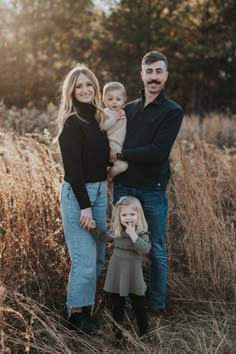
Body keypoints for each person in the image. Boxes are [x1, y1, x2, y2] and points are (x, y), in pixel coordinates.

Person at [112, 51, 184, 315]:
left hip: (152, 189)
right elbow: (116, 140)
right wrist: (115, 162)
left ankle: (156, 305)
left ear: (165, 76)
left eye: (158, 72)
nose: (153, 77)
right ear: (141, 75)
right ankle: (129, 302)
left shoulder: (172, 111)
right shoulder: (127, 109)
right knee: (125, 246)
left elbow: (157, 152)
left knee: (155, 250)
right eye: (149, 71)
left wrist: (123, 157)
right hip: (123, 188)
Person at [57, 65, 110, 334]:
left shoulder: (100, 120)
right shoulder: (71, 123)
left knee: (99, 256)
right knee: (85, 259)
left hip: (100, 191)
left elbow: (99, 158)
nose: (86, 89)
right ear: (72, 91)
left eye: (89, 84)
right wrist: (85, 207)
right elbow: (74, 171)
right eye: (79, 86)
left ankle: (86, 309)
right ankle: (75, 316)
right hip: (78, 196)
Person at [88, 196, 151, 344]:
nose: (128, 218)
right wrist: (91, 227)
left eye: (132, 214)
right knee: (117, 308)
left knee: (139, 306)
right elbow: (103, 237)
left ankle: (145, 334)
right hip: (117, 274)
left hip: (133, 276)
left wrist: (133, 235)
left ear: (139, 216)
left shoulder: (141, 233)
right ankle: (118, 337)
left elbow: (146, 249)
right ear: (119, 217)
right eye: (124, 215)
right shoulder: (116, 232)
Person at [101, 82, 128, 179]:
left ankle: (109, 175)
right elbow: (103, 127)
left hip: (119, 148)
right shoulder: (105, 113)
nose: (114, 102)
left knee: (123, 166)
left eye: (118, 99)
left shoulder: (123, 112)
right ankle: (104, 175)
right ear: (104, 100)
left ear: (124, 100)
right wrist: (114, 119)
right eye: (110, 99)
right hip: (110, 147)